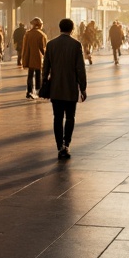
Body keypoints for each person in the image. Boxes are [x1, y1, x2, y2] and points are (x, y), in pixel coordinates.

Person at [42, 18, 87, 159]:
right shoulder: (76, 45)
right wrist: (83, 87)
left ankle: (59, 145)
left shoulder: (51, 44)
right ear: (72, 29)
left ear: (59, 27)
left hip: (55, 87)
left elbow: (45, 68)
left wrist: (44, 83)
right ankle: (66, 144)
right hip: (71, 87)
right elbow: (80, 68)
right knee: (70, 117)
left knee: (57, 117)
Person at [19, 17, 47, 99]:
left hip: (29, 57)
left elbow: (24, 47)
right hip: (38, 58)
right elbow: (43, 48)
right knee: (38, 75)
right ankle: (38, 90)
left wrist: (23, 57)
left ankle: (29, 91)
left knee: (30, 75)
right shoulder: (41, 35)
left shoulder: (27, 34)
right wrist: (46, 56)